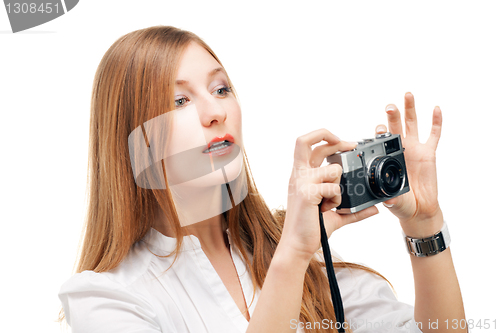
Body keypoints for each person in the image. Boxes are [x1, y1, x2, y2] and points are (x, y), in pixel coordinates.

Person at [58, 25, 467, 333]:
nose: (214, 112)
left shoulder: (299, 250)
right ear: (135, 141)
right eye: (179, 100)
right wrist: (291, 255)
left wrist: (424, 223)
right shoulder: (106, 299)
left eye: (221, 89)